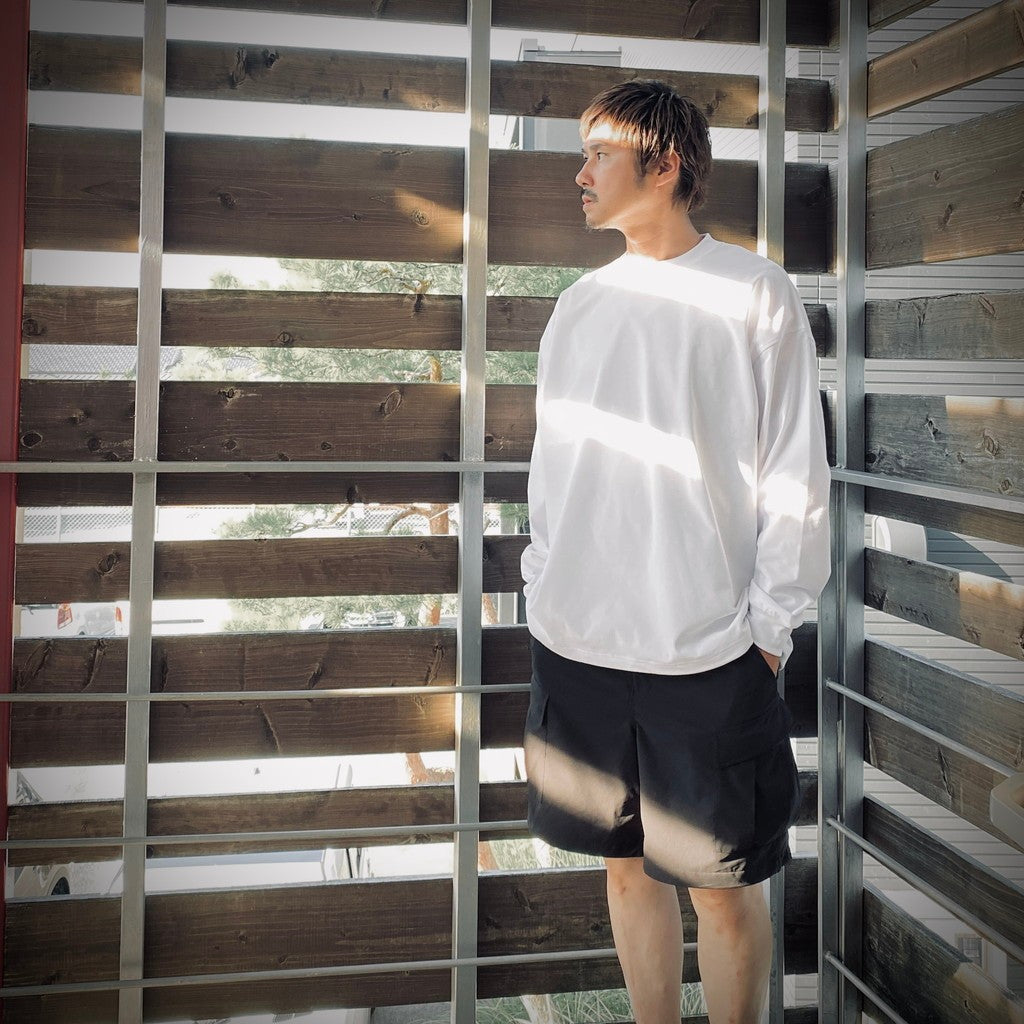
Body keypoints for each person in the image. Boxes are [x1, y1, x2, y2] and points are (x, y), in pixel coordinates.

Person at [520, 80, 832, 1024]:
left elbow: (795, 469)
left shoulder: (754, 291)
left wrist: (770, 631)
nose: (581, 174)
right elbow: (551, 468)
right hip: (579, 648)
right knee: (624, 874)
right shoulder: (579, 304)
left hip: (710, 653)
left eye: (599, 155)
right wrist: (542, 586)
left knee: (724, 893)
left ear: (664, 165)